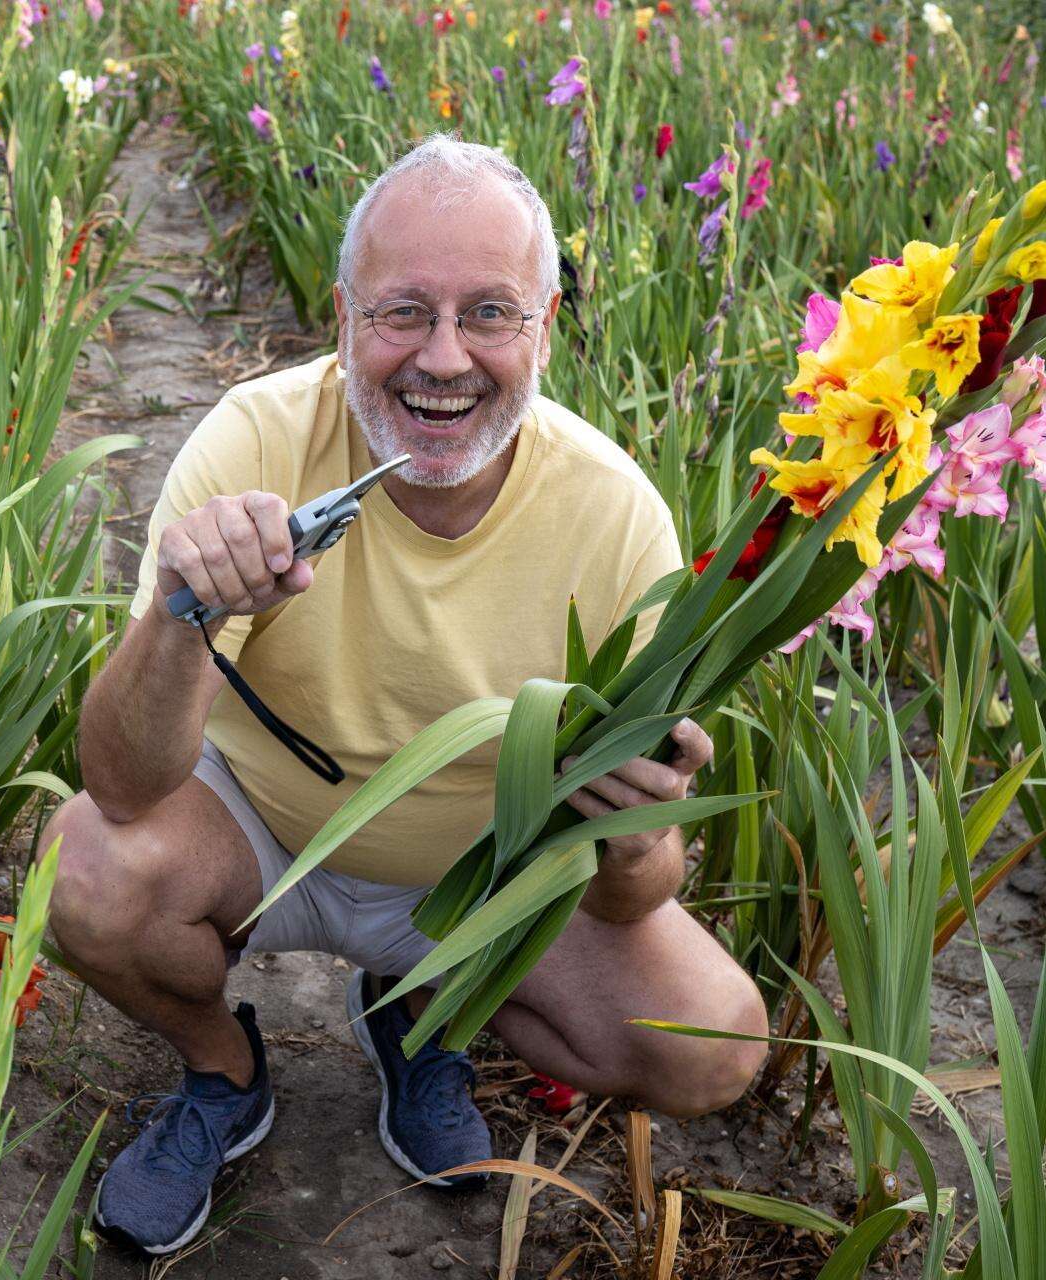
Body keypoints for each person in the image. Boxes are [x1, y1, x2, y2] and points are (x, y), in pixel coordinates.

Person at [38, 133, 768, 1257]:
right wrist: (181, 610)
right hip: (261, 832)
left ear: (547, 325)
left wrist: (633, 841)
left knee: (713, 1041)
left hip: (470, 883)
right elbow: (124, 787)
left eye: (489, 313)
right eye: (402, 313)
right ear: (342, 315)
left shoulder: (617, 518)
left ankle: (423, 1009)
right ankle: (224, 1074)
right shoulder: (256, 441)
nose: (443, 358)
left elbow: (634, 893)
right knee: (81, 872)